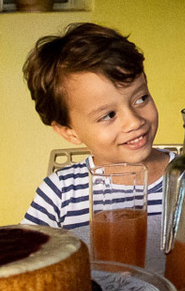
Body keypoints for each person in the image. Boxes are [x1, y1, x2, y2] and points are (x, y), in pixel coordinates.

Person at [21, 22, 174, 228]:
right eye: (109, 115)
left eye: (141, 99)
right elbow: (33, 258)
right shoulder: (60, 195)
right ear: (70, 132)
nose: (134, 121)